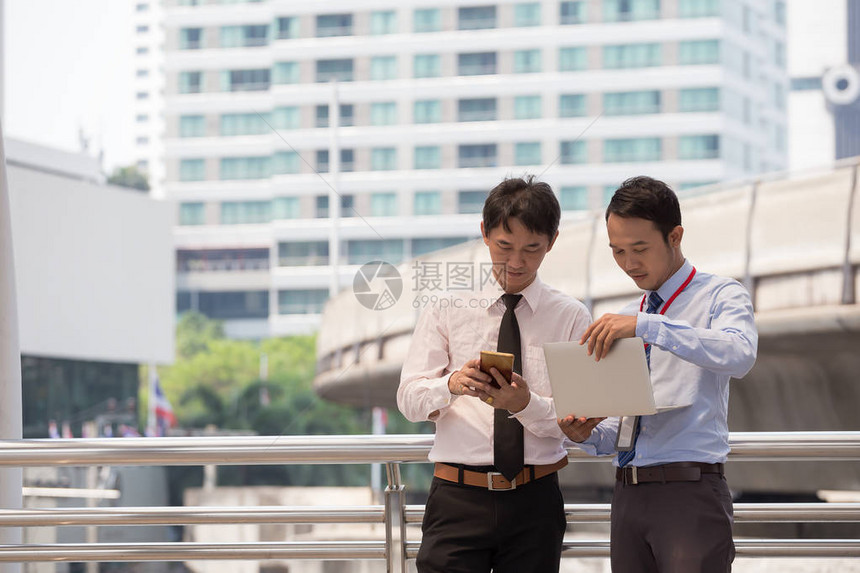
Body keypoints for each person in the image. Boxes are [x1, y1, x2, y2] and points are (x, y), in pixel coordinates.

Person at [558, 176, 758, 573]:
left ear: (675, 236)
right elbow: (625, 419)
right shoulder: (630, 316)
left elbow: (739, 353)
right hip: (627, 493)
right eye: (617, 251)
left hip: (689, 494)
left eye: (639, 249)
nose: (629, 263)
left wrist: (650, 326)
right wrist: (587, 434)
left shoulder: (721, 295)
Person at [398, 176, 594, 573]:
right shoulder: (447, 308)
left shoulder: (571, 317)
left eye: (532, 249)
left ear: (552, 242)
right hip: (457, 498)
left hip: (535, 500)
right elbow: (409, 400)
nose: (517, 262)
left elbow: (577, 419)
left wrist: (526, 405)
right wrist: (450, 385)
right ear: (484, 234)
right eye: (505, 246)